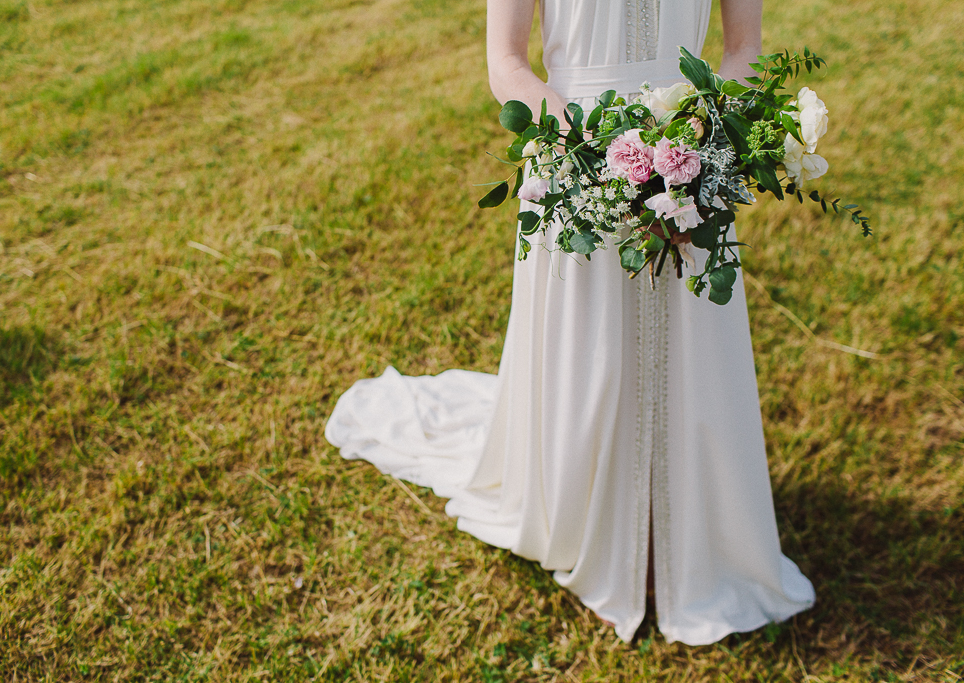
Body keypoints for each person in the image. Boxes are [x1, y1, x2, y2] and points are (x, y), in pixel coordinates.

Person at [325, 0, 815, 646]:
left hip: (690, 165)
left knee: (687, 356)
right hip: (576, 161)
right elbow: (506, 62)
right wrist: (576, 134)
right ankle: (593, 524)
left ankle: (689, 532)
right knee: (594, 364)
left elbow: (744, 45)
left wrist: (704, 131)